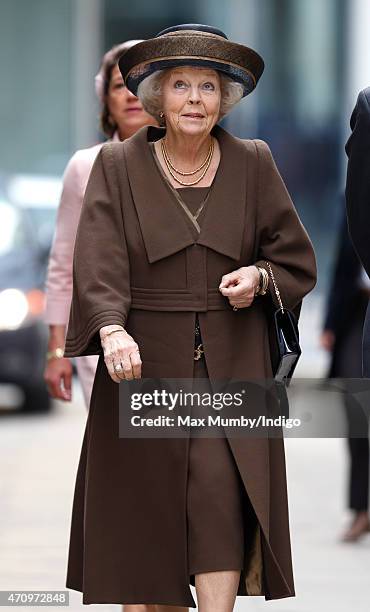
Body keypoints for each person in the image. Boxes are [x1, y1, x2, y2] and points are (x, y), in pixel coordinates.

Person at [63, 24, 317, 610]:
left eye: (208, 87)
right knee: (146, 512)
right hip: (142, 363)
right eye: (180, 86)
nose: (195, 99)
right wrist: (110, 326)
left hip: (234, 365)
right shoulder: (117, 165)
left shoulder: (254, 161)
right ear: (158, 98)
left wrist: (259, 277)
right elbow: (96, 256)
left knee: (219, 501)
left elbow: (294, 257)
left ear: (224, 100)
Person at [43, 40, 156, 408]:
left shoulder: (191, 164)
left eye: (140, 82)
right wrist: (57, 350)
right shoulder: (84, 166)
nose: (130, 94)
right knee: (120, 449)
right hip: (102, 338)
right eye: (119, 85)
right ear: (104, 97)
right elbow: (64, 264)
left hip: (173, 332)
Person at [320, 210, 370, 541]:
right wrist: (330, 324)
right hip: (357, 314)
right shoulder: (355, 196)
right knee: (358, 414)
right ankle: (361, 510)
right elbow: (342, 264)